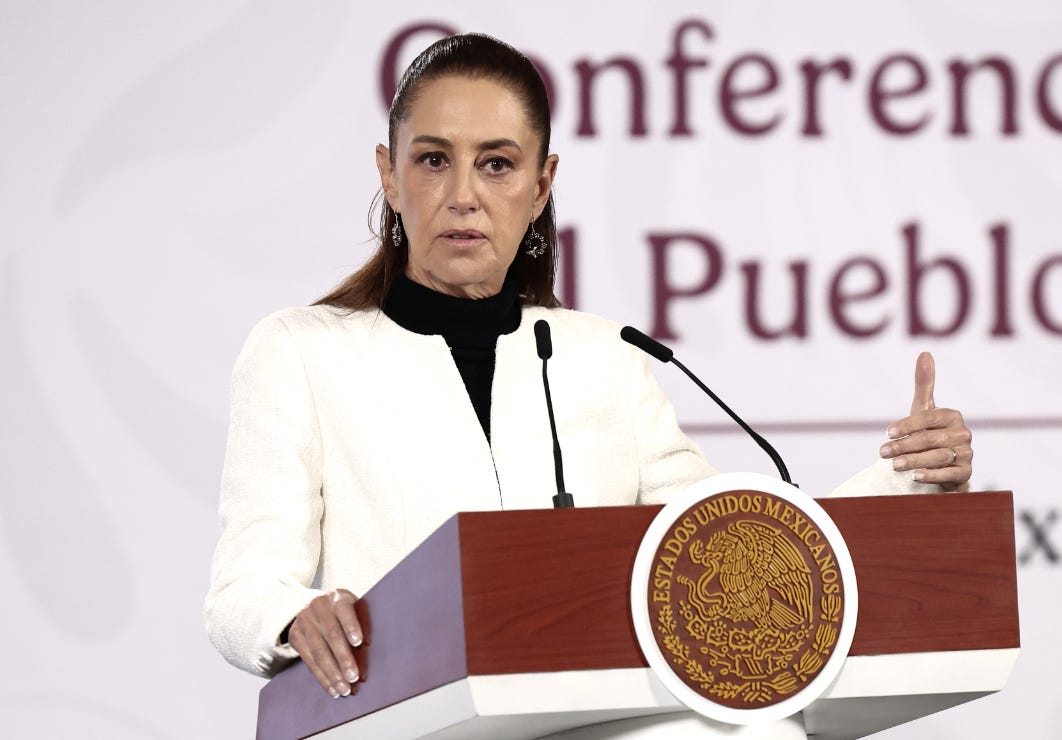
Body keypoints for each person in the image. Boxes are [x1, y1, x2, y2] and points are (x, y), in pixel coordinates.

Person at [204, 32, 973, 717]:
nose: (464, 195)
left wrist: (908, 477)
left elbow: (733, 543)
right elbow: (243, 589)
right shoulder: (300, 351)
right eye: (434, 160)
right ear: (390, 175)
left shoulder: (604, 357)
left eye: (497, 164)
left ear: (540, 185)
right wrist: (295, 616)